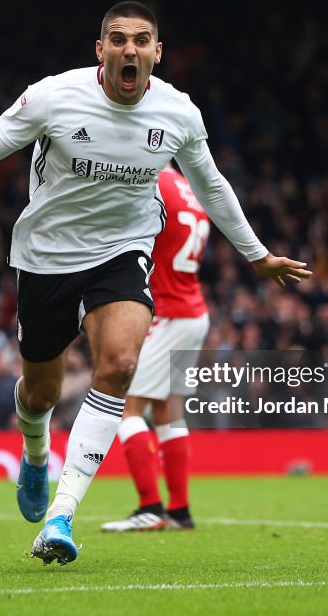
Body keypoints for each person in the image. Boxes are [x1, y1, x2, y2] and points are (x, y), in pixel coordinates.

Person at [0, 1, 311, 564]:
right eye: (118, 39)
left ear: (157, 53)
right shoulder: (53, 97)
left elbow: (211, 185)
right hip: (45, 257)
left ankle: (61, 517)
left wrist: (257, 254)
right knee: (38, 393)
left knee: (119, 365)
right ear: (101, 50)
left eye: (142, 40)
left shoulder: (178, 113)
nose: (130, 49)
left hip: (123, 252)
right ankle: (35, 452)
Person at [100, 163, 210, 533]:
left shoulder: (151, 180)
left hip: (168, 314)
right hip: (193, 311)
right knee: (167, 411)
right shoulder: (188, 188)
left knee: (127, 409)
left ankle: (150, 506)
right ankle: (179, 510)